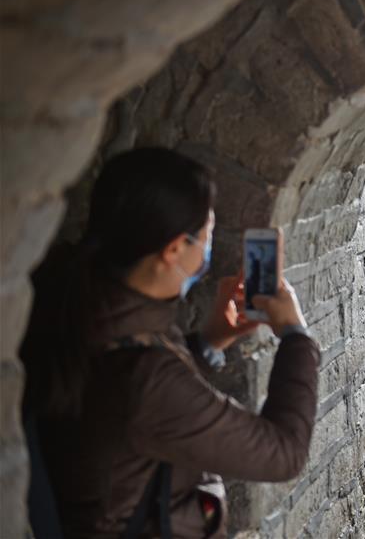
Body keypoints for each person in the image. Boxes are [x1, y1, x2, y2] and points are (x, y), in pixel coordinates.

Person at [19, 147, 320, 538]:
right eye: (207, 236)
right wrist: (295, 335)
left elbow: (132, 408)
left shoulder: (75, 300)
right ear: (174, 249)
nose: (207, 251)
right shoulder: (145, 377)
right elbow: (284, 453)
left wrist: (210, 341)